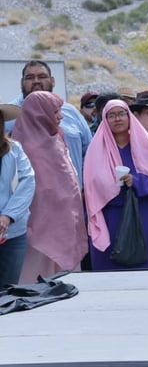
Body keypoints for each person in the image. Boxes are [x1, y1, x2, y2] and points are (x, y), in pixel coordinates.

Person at [83, 100, 148, 270]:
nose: (117, 119)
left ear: (129, 117)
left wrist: (136, 181)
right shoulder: (96, 150)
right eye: (111, 115)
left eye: (121, 114)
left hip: (146, 216)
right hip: (111, 217)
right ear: (104, 120)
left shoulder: (146, 146)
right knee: (112, 277)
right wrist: (108, 185)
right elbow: (91, 187)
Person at [14, 92, 88, 282]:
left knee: (65, 279)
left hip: (65, 222)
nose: (60, 116)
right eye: (55, 111)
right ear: (40, 114)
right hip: (37, 226)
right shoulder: (22, 147)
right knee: (35, 278)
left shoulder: (56, 138)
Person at [6, 61, 92, 191]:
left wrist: (85, 188)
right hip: (29, 203)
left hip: (72, 199)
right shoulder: (10, 116)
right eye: (30, 77)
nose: (36, 81)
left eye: (42, 76)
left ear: (52, 81)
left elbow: (89, 153)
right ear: (21, 82)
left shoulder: (71, 113)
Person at [0, 104, 35, 287]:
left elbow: (28, 181)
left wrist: (8, 215)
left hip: (13, 232)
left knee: (8, 288)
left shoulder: (14, 149)